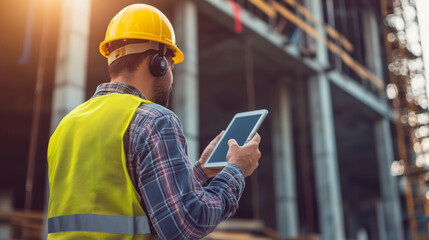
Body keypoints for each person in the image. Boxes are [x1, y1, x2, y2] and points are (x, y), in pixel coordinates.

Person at [47, 4, 262, 240]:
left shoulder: (65, 126)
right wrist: (236, 170)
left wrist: (200, 170)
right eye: (171, 65)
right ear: (158, 63)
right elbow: (186, 225)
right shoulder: (154, 121)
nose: (171, 77)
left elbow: (142, 202)